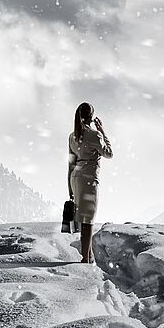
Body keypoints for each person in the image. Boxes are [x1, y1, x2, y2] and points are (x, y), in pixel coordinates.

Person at [67, 102, 113, 263]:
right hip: (89, 179)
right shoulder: (94, 135)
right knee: (88, 220)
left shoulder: (72, 136)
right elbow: (109, 153)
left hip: (75, 178)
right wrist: (102, 131)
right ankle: (85, 259)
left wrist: (70, 190)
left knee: (83, 217)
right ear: (91, 117)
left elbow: (71, 163)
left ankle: (89, 255)